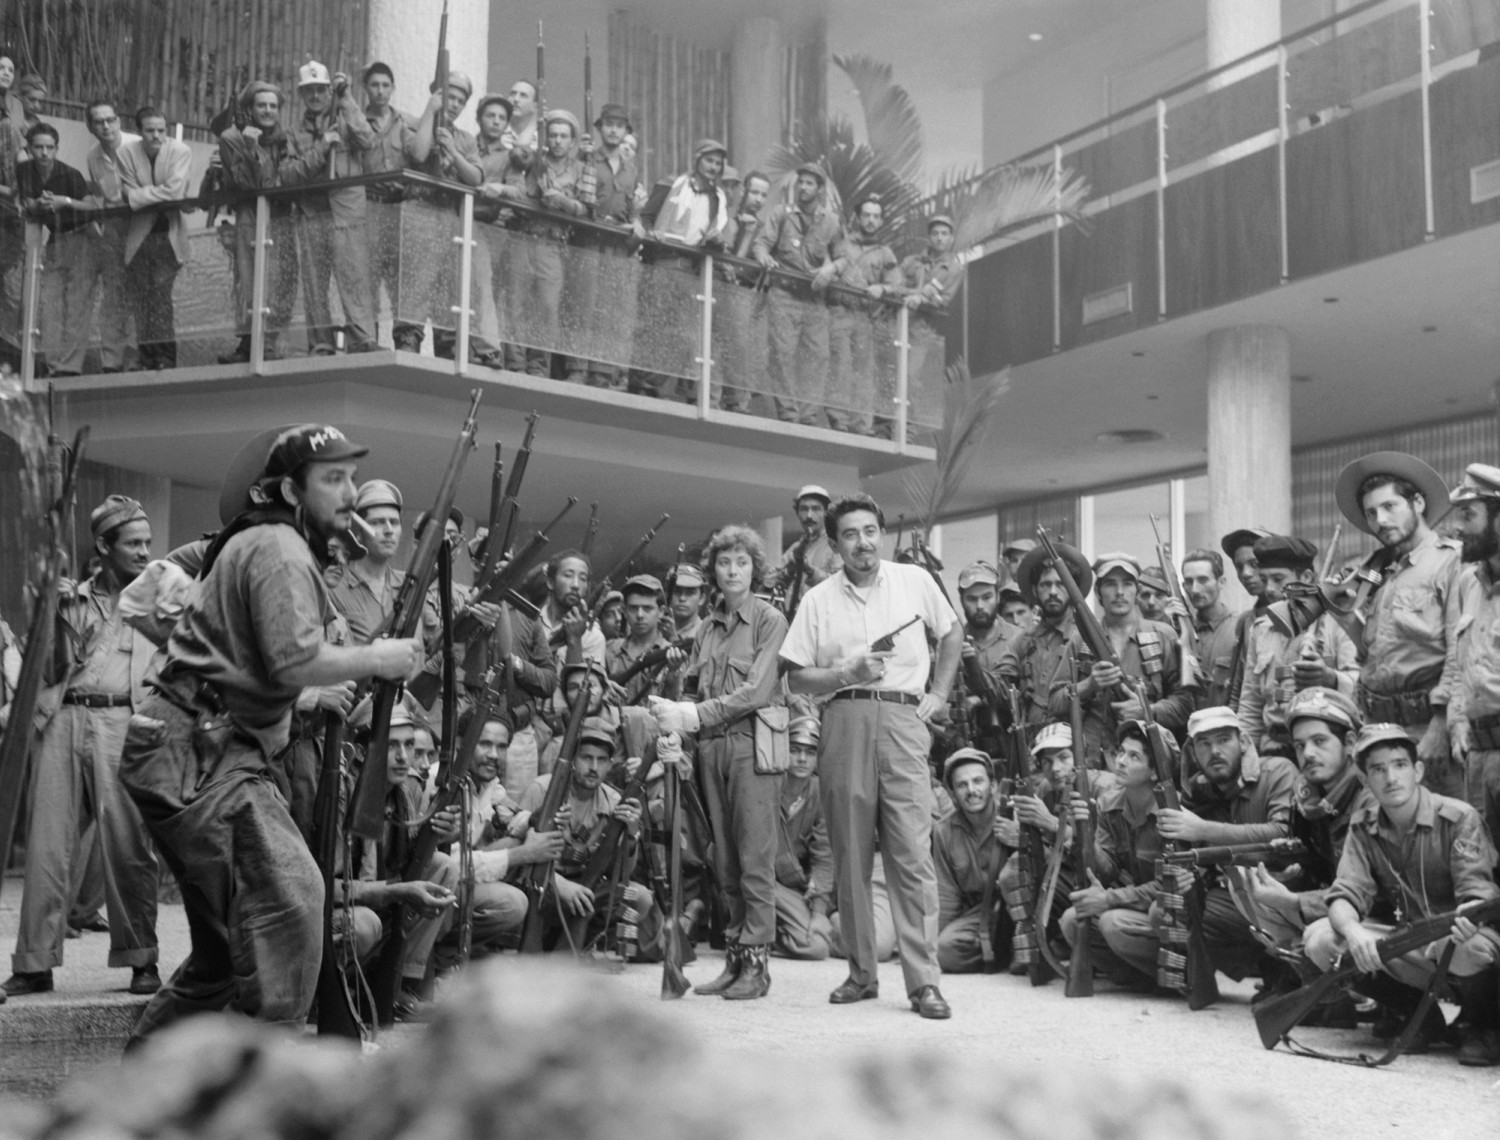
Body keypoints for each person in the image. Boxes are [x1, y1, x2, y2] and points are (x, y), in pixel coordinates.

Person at [116, 424, 427, 1043]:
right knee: (293, 901)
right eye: (332, 480)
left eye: (351, 478)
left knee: (225, 955)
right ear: (289, 489)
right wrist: (381, 656)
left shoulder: (275, 546)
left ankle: (143, 1091)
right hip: (202, 755)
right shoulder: (279, 546)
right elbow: (292, 661)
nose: (349, 493)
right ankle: (263, 1090)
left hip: (195, 749)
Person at [781, 492, 962, 1019]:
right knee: (851, 854)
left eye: (869, 531)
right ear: (835, 545)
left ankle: (924, 982)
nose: (862, 542)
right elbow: (794, 673)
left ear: (880, 534)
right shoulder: (818, 599)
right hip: (845, 719)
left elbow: (950, 634)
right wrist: (845, 673)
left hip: (905, 721)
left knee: (911, 853)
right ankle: (861, 973)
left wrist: (941, 694)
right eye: (850, 535)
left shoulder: (915, 581)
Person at [3, 497, 162, 998]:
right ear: (103, 546)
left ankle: (141, 958)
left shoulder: (160, 596)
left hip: (124, 720)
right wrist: (51, 607)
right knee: (48, 843)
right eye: (133, 543)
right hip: (62, 717)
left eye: (147, 543)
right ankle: (34, 963)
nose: (143, 552)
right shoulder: (70, 597)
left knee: (128, 843)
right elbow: (43, 668)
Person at [1304, 723, 1500, 1065]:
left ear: (1418, 770)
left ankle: (1484, 1025)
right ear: (1366, 779)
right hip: (1411, 943)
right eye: (1378, 769)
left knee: (1466, 946)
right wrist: (1354, 932)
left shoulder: (1457, 818)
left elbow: (1477, 896)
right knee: (1321, 939)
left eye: (1399, 765)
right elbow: (1345, 894)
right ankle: (1420, 1016)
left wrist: (1465, 917)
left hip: (1458, 940)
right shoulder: (1363, 825)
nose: (1390, 777)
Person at [652, 525, 787, 1000]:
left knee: (754, 857)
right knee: (723, 859)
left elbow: (756, 691)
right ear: (714, 569)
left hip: (752, 746)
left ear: (755, 568)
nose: (733, 571)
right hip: (710, 748)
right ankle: (734, 958)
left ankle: (757, 964)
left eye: (742, 563)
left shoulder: (770, 620)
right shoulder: (707, 628)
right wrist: (675, 726)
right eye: (725, 563)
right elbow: (691, 687)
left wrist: (692, 714)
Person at [1333, 452, 1464, 798]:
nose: (1380, 519)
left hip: (1429, 726)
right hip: (1381, 727)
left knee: (1448, 835)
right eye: (1371, 513)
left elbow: (1460, 651)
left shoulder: (1451, 561)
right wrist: (1345, 613)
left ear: (1417, 502)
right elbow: (1376, 654)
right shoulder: (1378, 572)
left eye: (1390, 506)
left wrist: (1440, 724)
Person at [1158, 706, 1297, 995]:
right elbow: (1195, 858)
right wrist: (1190, 876)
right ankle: (1270, 967)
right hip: (1234, 895)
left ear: (1244, 742)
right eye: (1204, 744)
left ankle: (1289, 970)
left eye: (1223, 740)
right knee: (1175, 912)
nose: (1214, 751)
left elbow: (1283, 836)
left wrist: (1204, 829)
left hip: (1287, 888)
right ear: (1193, 752)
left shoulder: (1277, 772)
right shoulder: (1200, 791)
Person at [216, 81, 326, 363]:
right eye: (261, 105)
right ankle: (251, 343)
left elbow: (288, 178)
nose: (268, 111)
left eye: (273, 106)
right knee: (250, 278)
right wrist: (253, 150)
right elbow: (254, 183)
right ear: (250, 108)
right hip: (251, 216)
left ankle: (270, 341)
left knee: (283, 281)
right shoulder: (231, 137)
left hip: (282, 216)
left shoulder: (284, 136)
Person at [1050, 552, 1196, 763]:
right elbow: (1054, 703)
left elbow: (1185, 705)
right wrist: (1087, 685)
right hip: (1092, 763)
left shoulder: (1163, 636)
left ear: (1137, 591)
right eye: (1110, 584)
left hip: (1147, 762)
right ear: (1099, 592)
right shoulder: (1080, 640)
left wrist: (1148, 710)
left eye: (1127, 583)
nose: (1119, 592)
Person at [514, 717, 643, 948]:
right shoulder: (543, 790)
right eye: (586, 757)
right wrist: (560, 885)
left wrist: (632, 834)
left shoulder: (614, 801)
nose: (594, 767)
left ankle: (581, 943)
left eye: (601, 760)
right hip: (544, 885)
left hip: (588, 885)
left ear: (611, 764)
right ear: (572, 760)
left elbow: (622, 872)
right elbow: (518, 854)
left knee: (640, 898)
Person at [1061, 720, 1170, 989]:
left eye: (1134, 756)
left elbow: (1166, 887)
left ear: (1155, 772)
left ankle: (1172, 973)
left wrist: (1108, 899)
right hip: (1131, 905)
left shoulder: (1170, 812)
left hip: (1165, 915)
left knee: (1111, 923)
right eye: (1121, 752)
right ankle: (1137, 976)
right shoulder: (1110, 804)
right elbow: (1107, 869)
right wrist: (1084, 833)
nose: (1120, 761)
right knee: (1071, 921)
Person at [1235, 534, 1357, 758]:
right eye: (1264, 579)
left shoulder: (1340, 625)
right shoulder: (1261, 629)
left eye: (1278, 579)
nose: (1269, 589)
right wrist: (1246, 756)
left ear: (1307, 577)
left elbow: (1364, 688)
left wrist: (1330, 679)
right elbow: (1251, 704)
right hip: (1273, 751)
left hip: (1326, 751)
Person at [287, 60, 376, 355]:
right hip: (312, 214)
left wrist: (347, 98)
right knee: (315, 286)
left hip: (347, 214)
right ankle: (321, 344)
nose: (315, 96)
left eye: (321, 90)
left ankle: (362, 340)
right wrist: (322, 146)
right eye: (309, 91)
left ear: (328, 90)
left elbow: (367, 139)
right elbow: (292, 174)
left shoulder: (345, 117)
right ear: (302, 95)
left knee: (353, 277)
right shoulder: (293, 133)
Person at [636, 138, 730, 402]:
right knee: (656, 325)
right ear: (698, 159)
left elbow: (721, 234)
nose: (713, 167)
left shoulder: (717, 197)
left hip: (692, 271)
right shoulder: (671, 184)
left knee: (682, 332)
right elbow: (646, 216)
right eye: (709, 160)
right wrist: (649, 232)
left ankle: (665, 388)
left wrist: (715, 240)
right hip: (664, 262)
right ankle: (647, 384)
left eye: (718, 163)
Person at [397, 71, 482, 358]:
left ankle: (449, 346)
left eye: (460, 100)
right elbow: (418, 155)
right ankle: (409, 338)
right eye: (450, 97)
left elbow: (476, 178)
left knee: (450, 286)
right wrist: (430, 113)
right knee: (416, 282)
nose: (455, 104)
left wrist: (453, 152)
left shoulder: (466, 139)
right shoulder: (413, 124)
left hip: (449, 216)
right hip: (420, 212)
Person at [754, 163, 840, 425]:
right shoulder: (781, 213)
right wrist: (764, 257)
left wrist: (831, 268)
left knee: (818, 356)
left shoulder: (831, 221)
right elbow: (761, 243)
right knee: (783, 354)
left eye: (809, 183)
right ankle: (789, 414)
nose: (803, 187)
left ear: (820, 189)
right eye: (800, 182)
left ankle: (808, 415)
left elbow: (844, 257)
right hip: (784, 295)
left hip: (813, 300)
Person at [568, 102, 643, 389]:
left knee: (609, 308)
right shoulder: (586, 158)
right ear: (600, 128)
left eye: (619, 125)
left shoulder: (631, 170)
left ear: (625, 131)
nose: (613, 129)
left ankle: (601, 371)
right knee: (583, 304)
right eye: (609, 124)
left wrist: (637, 221)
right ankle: (577, 366)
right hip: (588, 238)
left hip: (617, 244)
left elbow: (633, 204)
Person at [1448, 462, 1500, 844]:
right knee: (1486, 878)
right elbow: (1459, 663)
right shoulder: (1469, 582)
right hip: (1478, 761)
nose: (1458, 527)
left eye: (1469, 514)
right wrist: (1456, 721)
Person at [118, 106, 192, 370]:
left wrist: (138, 196)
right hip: (139, 236)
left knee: (160, 297)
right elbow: (124, 190)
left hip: (168, 236)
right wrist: (156, 194)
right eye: (150, 130)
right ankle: (145, 355)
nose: (156, 135)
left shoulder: (180, 151)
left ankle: (165, 356)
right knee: (142, 298)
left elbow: (174, 193)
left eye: (161, 130)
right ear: (140, 131)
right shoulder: (125, 152)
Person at [822, 196, 900, 435]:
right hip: (840, 311)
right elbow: (826, 270)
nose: (871, 220)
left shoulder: (885, 253)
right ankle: (839, 420)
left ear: (881, 220)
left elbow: (896, 284)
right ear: (858, 217)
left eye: (876, 216)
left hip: (865, 317)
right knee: (841, 366)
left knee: (864, 373)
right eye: (866, 215)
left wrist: (882, 289)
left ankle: (861, 426)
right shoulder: (842, 245)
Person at [17, 122, 91, 377]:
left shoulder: (70, 174)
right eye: (38, 147)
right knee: (50, 305)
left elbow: (92, 207)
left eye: (50, 147)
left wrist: (64, 201)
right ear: (29, 148)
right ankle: (53, 364)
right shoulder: (25, 170)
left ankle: (71, 367)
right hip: (56, 238)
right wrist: (39, 204)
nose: (44, 153)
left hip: (83, 237)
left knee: (77, 305)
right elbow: (27, 203)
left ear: (57, 149)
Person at [1002, 539, 1089, 739]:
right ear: (1034, 590)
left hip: (1076, 739)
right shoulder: (1022, 640)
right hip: (1032, 741)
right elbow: (1000, 683)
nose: (1052, 592)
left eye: (1060, 584)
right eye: (1045, 584)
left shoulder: (1086, 637)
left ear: (1073, 588)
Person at [932, 748, 1005, 974]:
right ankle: (1002, 953)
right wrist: (934, 943)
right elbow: (947, 895)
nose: (971, 791)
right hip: (979, 914)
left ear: (992, 786)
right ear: (952, 793)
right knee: (944, 951)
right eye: (962, 785)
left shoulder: (1013, 816)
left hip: (1018, 909)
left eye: (978, 781)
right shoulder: (943, 831)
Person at [770, 715, 834, 960]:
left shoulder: (820, 793)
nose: (801, 759)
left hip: (793, 890)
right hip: (760, 882)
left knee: (817, 946)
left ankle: (771, 936)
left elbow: (824, 857)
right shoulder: (768, 786)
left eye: (810, 752)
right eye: (794, 750)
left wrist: (818, 911)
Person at [81, 99, 136, 373]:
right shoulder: (93, 157)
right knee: (114, 295)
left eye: (110, 120)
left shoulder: (137, 145)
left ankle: (142, 359)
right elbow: (103, 199)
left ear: (119, 121)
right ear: (90, 126)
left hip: (143, 225)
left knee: (142, 293)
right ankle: (112, 361)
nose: (106, 126)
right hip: (114, 230)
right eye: (99, 122)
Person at [715, 168, 773, 414]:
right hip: (719, 287)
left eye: (763, 195)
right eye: (754, 192)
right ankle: (714, 397)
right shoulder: (725, 216)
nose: (758, 199)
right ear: (744, 191)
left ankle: (738, 401)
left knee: (743, 346)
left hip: (749, 294)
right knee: (718, 343)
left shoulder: (765, 228)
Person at [956, 559, 1017, 755]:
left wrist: (980, 700)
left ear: (998, 596)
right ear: (961, 600)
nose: (980, 606)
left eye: (987, 597)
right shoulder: (951, 644)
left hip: (1015, 741)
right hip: (967, 743)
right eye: (972, 599)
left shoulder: (1020, 639)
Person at [1181, 549, 1241, 709]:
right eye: (1188, 581)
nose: (1194, 589)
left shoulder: (1240, 629)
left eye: (1203, 580)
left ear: (1221, 582)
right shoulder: (1179, 632)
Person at [606, 574, 676, 706]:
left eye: (647, 608)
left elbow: (677, 703)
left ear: (661, 612)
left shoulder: (672, 654)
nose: (639, 615)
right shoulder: (609, 650)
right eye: (633, 608)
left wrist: (674, 673)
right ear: (624, 611)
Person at [773, 485, 841, 614]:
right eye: (804, 509)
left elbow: (839, 585)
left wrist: (810, 571)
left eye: (816, 509)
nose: (809, 515)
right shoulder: (795, 548)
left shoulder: (836, 545)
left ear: (827, 513)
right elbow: (776, 582)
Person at [667, 562, 707, 643]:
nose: (682, 598)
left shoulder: (708, 634)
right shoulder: (653, 629)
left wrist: (673, 638)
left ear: (701, 599)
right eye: (677, 591)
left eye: (690, 593)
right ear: (668, 595)